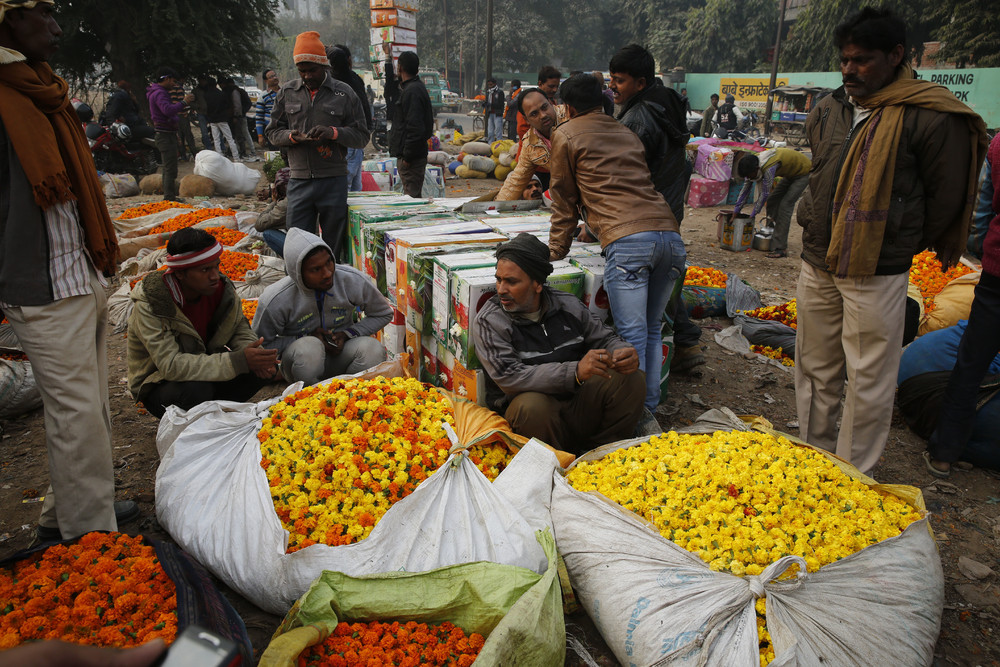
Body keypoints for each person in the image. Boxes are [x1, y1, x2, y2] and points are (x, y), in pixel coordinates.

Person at [794, 7, 987, 476]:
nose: (849, 70)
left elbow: (946, 200)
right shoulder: (830, 107)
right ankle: (811, 459)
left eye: (862, 60)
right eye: (844, 60)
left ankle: (850, 476)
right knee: (815, 368)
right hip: (819, 258)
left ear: (896, 56)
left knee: (867, 380)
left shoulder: (930, 114)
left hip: (877, 267)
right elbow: (821, 171)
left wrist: (893, 238)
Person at [0, 0, 138, 542]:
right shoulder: (9, 98)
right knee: (75, 414)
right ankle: (88, 536)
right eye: (46, 16)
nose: (58, 28)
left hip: (78, 271)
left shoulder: (42, 89)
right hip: (42, 284)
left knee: (90, 406)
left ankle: (72, 507)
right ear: (11, 21)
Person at [547, 74, 685, 413]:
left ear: (568, 107)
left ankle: (632, 419)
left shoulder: (565, 133)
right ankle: (648, 411)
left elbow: (563, 199)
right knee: (652, 330)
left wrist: (554, 252)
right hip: (670, 235)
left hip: (629, 242)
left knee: (629, 339)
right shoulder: (626, 131)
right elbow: (626, 185)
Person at [473, 234, 644, 453]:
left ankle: (601, 456)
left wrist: (622, 351)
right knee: (532, 407)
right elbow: (510, 377)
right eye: (499, 279)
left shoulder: (568, 305)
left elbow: (605, 338)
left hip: (576, 407)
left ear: (537, 284)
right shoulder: (490, 321)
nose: (501, 289)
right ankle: (552, 467)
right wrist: (574, 372)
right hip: (532, 421)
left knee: (628, 377)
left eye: (512, 282)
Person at [609, 44, 701, 375]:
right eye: (611, 80)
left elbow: (625, 176)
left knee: (643, 312)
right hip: (668, 204)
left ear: (641, 82)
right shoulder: (667, 104)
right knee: (665, 278)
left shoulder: (638, 119)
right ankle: (686, 342)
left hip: (647, 211)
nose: (613, 87)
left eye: (619, 80)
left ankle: (680, 346)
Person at [127, 228, 279, 418]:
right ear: (180, 274)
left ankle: (213, 416)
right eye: (205, 270)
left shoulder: (221, 290)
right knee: (197, 390)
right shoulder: (152, 305)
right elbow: (171, 365)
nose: (215, 275)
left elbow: (238, 328)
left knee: (257, 371)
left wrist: (256, 355)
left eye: (217, 266)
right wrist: (239, 360)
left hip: (204, 368)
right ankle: (194, 423)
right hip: (160, 383)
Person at [923, 132, 1000, 477]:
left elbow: (983, 210)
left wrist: (986, 250)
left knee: (971, 363)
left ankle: (944, 453)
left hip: (997, 273)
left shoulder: (998, 144)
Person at [266, 31, 369, 257]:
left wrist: (333, 133)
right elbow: (272, 132)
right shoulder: (287, 93)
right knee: (298, 246)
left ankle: (331, 288)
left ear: (325, 66)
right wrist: (292, 137)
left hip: (333, 180)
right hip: (299, 181)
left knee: (332, 247)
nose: (307, 76)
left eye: (312, 70)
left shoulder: (344, 94)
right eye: (302, 71)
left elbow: (362, 136)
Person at [253, 228, 392, 386]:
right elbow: (261, 346)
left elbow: (383, 313)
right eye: (316, 269)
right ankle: (309, 401)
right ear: (298, 273)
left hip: (341, 355)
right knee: (310, 347)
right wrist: (304, 337)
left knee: (373, 349)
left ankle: (351, 399)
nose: (327, 273)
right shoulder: (276, 299)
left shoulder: (351, 280)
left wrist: (347, 334)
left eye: (329, 262)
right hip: (302, 363)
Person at [732, 147, 813, 258]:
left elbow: (764, 194)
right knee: (772, 201)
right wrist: (736, 211)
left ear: (756, 169)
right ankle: (769, 236)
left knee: (785, 206)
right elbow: (745, 190)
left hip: (803, 172)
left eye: (750, 175)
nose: (749, 178)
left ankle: (780, 248)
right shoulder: (752, 166)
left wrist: (752, 216)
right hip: (790, 174)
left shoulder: (768, 168)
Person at [496, 87, 566, 200]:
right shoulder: (529, 144)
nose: (543, 115)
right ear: (526, 119)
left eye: (544, 107)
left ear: (551, 103)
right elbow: (516, 182)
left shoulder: (572, 115)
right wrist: (496, 207)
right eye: (534, 114)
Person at [388, 50, 433, 198]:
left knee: (412, 199)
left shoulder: (412, 91)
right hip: (413, 156)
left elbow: (415, 129)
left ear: (400, 68)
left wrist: (407, 157)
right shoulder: (413, 88)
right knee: (412, 196)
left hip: (412, 159)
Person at [327, 44, 372, 193]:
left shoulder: (338, 85)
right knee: (354, 186)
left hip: (347, 138)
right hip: (357, 137)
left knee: (344, 185)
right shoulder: (354, 79)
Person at [147, 66, 194, 202]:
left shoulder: (157, 92)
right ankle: (169, 198)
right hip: (165, 134)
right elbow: (167, 110)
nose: (174, 85)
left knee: (168, 167)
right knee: (170, 168)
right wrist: (184, 102)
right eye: (173, 81)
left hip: (168, 132)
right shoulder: (160, 94)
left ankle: (169, 195)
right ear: (166, 79)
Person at [517, 65, 560, 139]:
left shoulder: (553, 101)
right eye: (551, 86)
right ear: (540, 84)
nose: (555, 90)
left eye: (557, 86)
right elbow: (522, 130)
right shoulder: (527, 102)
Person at [255, 167, 290, 256]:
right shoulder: (304, 194)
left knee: (268, 233)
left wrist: (274, 201)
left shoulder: (286, 203)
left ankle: (290, 259)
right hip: (316, 240)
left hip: (304, 247)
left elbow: (259, 224)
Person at [222, 76, 259, 161]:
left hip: (239, 117)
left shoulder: (234, 92)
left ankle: (244, 152)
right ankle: (248, 151)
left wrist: (237, 115)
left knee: (240, 135)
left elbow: (237, 105)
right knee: (243, 134)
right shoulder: (238, 91)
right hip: (240, 116)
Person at [204, 76, 240, 160]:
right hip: (222, 119)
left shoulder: (206, 95)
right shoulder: (221, 94)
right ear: (216, 84)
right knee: (230, 139)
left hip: (212, 120)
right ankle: (236, 157)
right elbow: (227, 106)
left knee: (216, 139)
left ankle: (219, 157)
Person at [169, 76, 198, 161]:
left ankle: (183, 155)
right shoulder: (179, 88)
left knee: (179, 137)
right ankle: (194, 154)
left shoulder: (168, 89)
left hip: (174, 115)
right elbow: (182, 102)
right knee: (189, 136)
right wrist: (186, 111)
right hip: (182, 115)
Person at [256, 68, 279, 150]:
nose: (274, 78)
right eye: (271, 77)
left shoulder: (285, 92)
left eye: (275, 75)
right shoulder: (263, 96)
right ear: (266, 81)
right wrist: (260, 135)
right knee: (275, 154)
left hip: (285, 129)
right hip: (271, 130)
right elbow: (259, 117)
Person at [192, 73, 214, 150]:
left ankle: (220, 147)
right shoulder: (196, 91)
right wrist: (197, 107)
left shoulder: (209, 89)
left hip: (211, 112)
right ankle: (209, 148)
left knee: (215, 131)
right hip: (201, 113)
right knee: (204, 132)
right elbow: (191, 102)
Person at [483, 77, 505, 144]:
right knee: (490, 131)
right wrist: (485, 104)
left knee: (498, 131)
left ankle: (499, 145)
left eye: (491, 85)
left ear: (495, 84)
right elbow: (487, 101)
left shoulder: (500, 92)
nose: (490, 86)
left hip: (497, 114)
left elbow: (501, 104)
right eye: (489, 85)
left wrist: (491, 105)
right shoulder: (488, 92)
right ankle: (490, 144)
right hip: (490, 113)